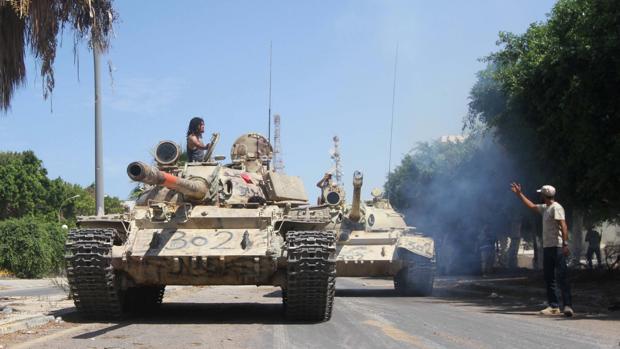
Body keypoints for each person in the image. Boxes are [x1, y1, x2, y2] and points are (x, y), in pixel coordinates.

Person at [510, 183, 574, 317]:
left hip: (557, 247)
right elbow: (532, 206)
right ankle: (554, 306)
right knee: (549, 277)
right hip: (548, 247)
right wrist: (519, 194)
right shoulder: (546, 208)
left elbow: (563, 225)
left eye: (541, 194)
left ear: (544, 195)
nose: (540, 195)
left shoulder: (556, 208)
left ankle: (567, 305)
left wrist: (565, 244)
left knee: (562, 276)